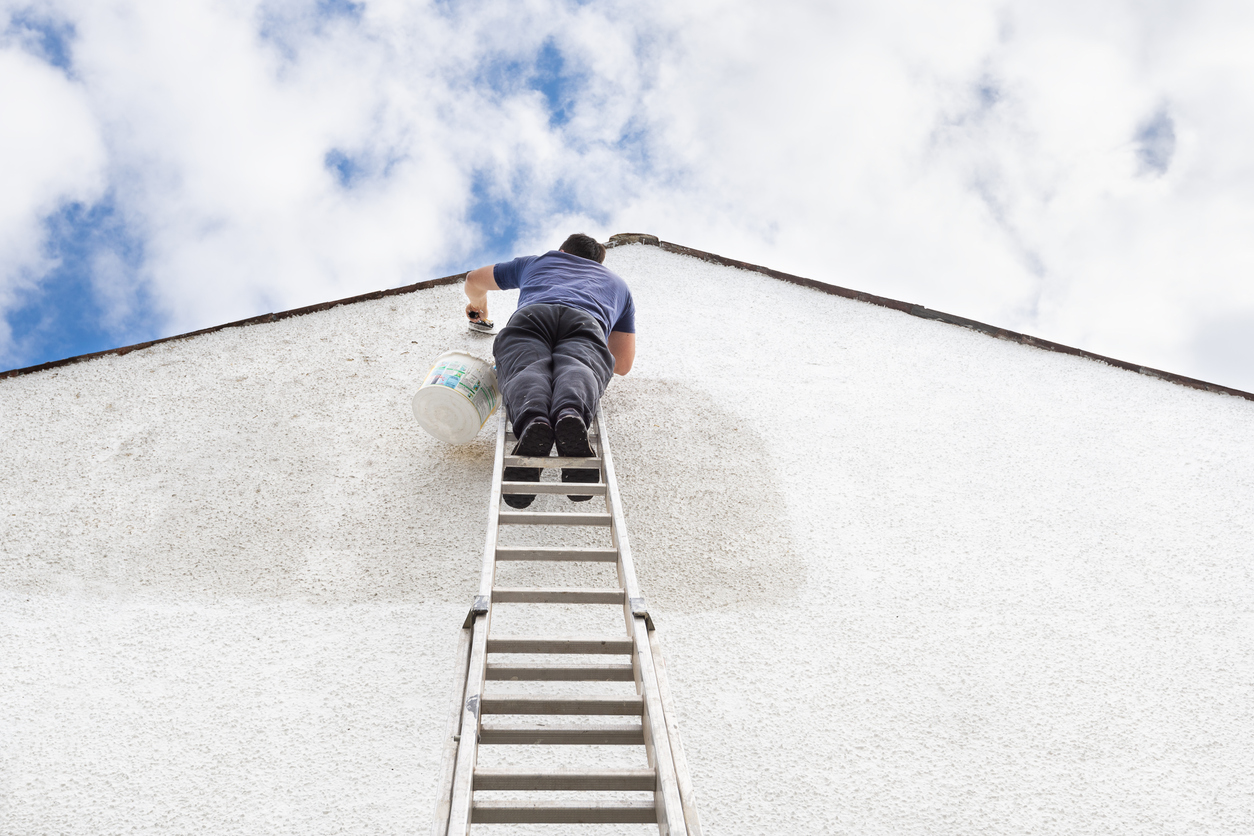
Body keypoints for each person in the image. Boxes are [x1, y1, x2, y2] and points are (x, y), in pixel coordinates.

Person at [464, 233, 635, 508]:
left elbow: (473, 279)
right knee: (579, 366)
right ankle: (570, 414)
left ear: (562, 251)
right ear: (598, 264)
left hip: (533, 315)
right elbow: (623, 364)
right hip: (586, 321)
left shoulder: (536, 263)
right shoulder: (617, 286)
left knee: (526, 367)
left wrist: (478, 308)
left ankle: (535, 422)